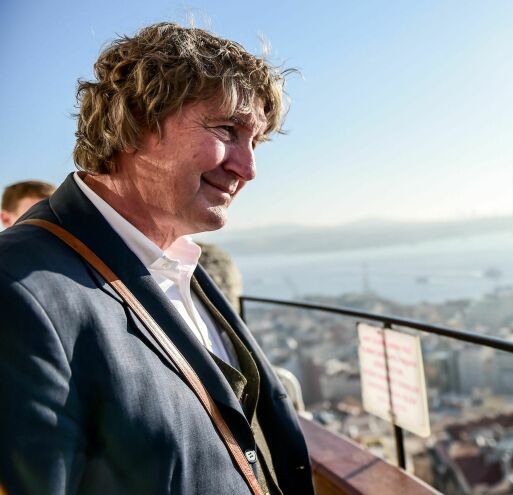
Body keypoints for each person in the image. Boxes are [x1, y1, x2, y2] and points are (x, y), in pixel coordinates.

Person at [0, 23, 313, 494]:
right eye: (228, 130)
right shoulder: (18, 288)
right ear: (136, 123)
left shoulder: (177, 262)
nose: (248, 168)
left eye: (256, 142)